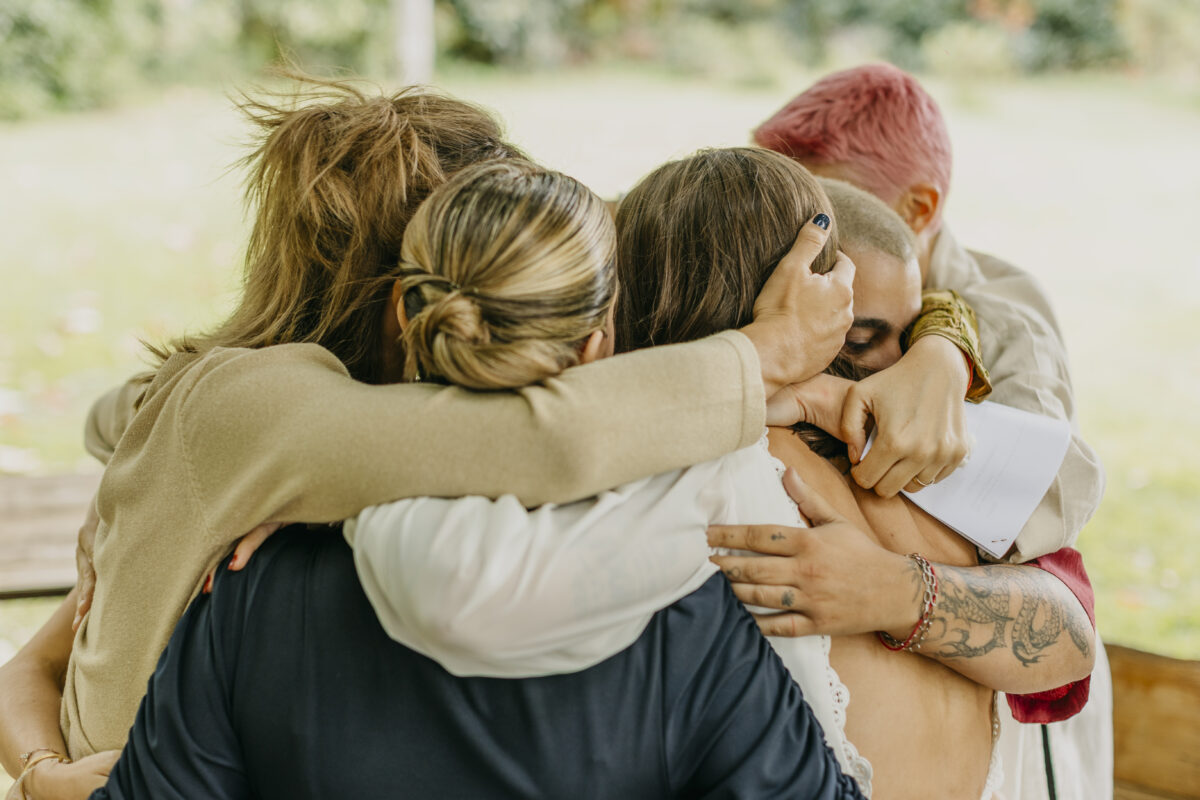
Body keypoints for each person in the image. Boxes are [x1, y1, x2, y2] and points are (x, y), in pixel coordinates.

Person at [0, 77, 857, 798]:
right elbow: (551, 439)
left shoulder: (264, 424)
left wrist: (931, 338)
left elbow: (40, 650)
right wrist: (768, 353)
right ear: (411, 296)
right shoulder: (264, 409)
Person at [344, 149, 1095, 800]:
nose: (887, 363)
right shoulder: (930, 447)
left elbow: (457, 592)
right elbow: (1069, 638)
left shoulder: (710, 474)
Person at [752, 64, 1110, 800]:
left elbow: (1055, 494)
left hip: (1010, 696)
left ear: (918, 208)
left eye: (822, 210)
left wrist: (933, 355)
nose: (796, 234)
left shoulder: (1004, 322)